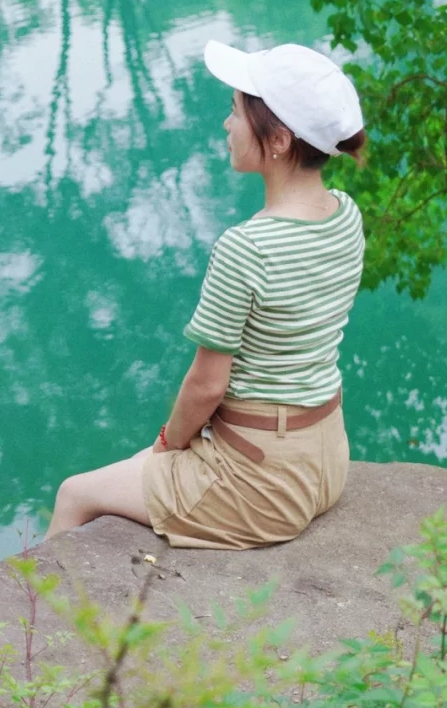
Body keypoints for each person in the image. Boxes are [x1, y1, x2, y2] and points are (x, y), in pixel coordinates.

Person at [45, 39, 367, 549]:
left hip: (262, 484)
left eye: (236, 112)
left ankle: (37, 627)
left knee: (73, 494)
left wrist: (168, 442)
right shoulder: (346, 215)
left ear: (279, 139)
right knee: (137, 467)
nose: (226, 124)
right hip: (326, 460)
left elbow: (205, 387)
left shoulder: (247, 248)